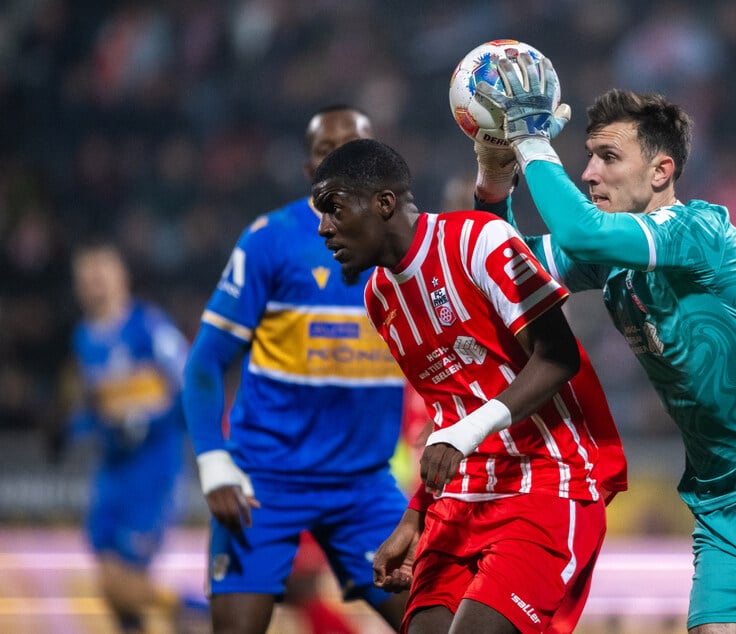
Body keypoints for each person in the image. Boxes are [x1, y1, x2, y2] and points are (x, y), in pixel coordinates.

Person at [470, 54, 736, 633]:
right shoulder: (608, 261)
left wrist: (533, 141)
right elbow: (499, 266)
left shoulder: (703, 232)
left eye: (608, 158)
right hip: (727, 510)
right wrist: (495, 185)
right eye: (588, 156)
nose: (589, 173)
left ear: (662, 171)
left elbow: (579, 231)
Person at [311, 138, 628, 633]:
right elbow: (450, 411)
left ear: (384, 203)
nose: (323, 228)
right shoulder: (379, 297)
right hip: (461, 498)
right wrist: (415, 516)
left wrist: (466, 433)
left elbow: (559, 356)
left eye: (333, 209)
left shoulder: (477, 239)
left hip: (548, 482)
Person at [182, 105, 411, 633]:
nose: (344, 161)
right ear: (311, 173)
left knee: (436, 623)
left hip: (364, 486)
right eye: (327, 153)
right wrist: (214, 462)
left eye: (356, 148)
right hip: (266, 481)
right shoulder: (270, 241)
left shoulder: (410, 249)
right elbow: (205, 363)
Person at [63, 240, 196, 633]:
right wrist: (74, 427)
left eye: (102, 273)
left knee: (118, 580)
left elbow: (186, 384)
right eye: (87, 277)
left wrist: (146, 416)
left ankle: (198, 609)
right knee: (109, 585)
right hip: (111, 473)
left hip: (150, 471)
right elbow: (96, 406)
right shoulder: (84, 337)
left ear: (123, 277)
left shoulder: (148, 327)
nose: (96, 284)